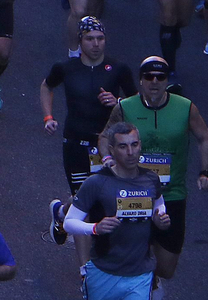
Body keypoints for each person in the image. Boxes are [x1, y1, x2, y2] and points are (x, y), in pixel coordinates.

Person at [102, 56, 208, 285]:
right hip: (132, 191)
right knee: (130, 255)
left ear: (166, 80)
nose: (154, 82)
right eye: (149, 77)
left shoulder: (185, 107)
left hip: (171, 194)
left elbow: (205, 137)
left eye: (160, 77)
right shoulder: (125, 107)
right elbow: (105, 136)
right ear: (141, 80)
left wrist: (205, 172)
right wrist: (107, 158)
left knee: (166, 267)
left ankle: (150, 277)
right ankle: (141, 285)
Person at [42, 17, 137, 257]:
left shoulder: (119, 69)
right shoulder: (66, 68)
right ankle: (86, 269)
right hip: (75, 143)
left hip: (108, 147)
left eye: (100, 38)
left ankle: (62, 214)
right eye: (90, 39)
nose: (96, 44)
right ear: (80, 41)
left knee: (102, 201)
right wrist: (48, 117)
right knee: (83, 201)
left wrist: (118, 102)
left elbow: (136, 102)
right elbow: (46, 86)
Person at [59, 120, 169, 300]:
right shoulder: (97, 183)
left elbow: (159, 205)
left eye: (134, 145)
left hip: (140, 274)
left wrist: (161, 218)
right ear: (111, 149)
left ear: (140, 145)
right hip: (104, 273)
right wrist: (95, 228)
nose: (130, 152)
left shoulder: (151, 179)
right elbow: (69, 222)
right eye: (123, 146)